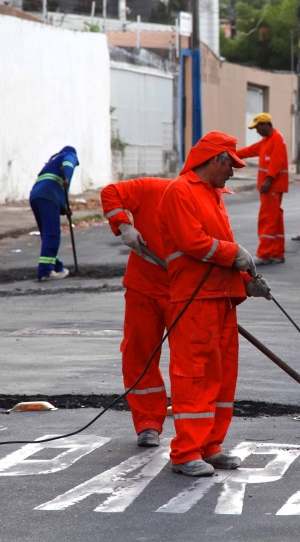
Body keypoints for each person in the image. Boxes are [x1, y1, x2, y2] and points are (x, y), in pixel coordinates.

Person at [157, 131, 270, 477]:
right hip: (194, 300)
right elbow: (196, 243)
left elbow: (222, 246)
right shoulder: (180, 191)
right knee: (195, 376)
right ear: (215, 160)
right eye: (230, 165)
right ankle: (186, 451)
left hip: (221, 299)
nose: (233, 172)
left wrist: (247, 282)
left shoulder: (213, 195)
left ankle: (210, 445)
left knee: (221, 377)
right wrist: (235, 254)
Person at [100, 177, 173, 448]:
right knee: (139, 356)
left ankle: (193, 436)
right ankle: (147, 424)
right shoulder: (153, 188)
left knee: (190, 364)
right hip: (143, 288)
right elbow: (111, 192)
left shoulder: (210, 202)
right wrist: (124, 224)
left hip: (183, 293)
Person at [235, 113, 289, 265]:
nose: (256, 131)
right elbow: (249, 150)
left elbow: (277, 161)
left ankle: (264, 254)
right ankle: (277, 253)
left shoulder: (276, 139)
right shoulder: (267, 140)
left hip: (272, 186)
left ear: (265, 125)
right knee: (275, 219)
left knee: (267, 219)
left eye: (257, 127)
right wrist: (232, 154)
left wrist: (268, 180)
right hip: (273, 186)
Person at [29, 146, 78, 280]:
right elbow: (69, 162)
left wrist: (63, 209)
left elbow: (54, 189)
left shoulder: (51, 163)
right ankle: (45, 271)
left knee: (47, 234)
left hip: (36, 197)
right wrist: (67, 177)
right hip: (47, 197)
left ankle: (57, 266)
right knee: (52, 234)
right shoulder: (68, 155)